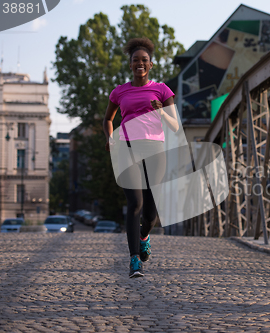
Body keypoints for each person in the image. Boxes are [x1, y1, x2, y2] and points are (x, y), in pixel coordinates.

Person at [103, 37, 179, 278]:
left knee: (150, 213)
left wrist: (161, 113)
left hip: (155, 150)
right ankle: (134, 259)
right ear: (130, 65)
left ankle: (144, 236)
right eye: (136, 60)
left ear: (151, 65)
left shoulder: (162, 90)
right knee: (134, 204)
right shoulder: (119, 91)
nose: (140, 64)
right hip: (126, 148)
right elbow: (108, 119)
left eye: (144, 60)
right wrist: (110, 137)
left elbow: (175, 126)